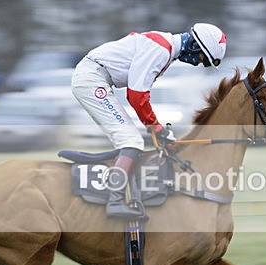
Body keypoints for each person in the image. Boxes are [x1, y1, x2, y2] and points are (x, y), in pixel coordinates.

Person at [71, 23, 227, 219]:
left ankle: (122, 193)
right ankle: (115, 201)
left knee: (128, 139)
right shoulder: (161, 50)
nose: (197, 63)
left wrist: (155, 127)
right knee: (131, 141)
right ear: (195, 46)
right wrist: (156, 127)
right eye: (202, 59)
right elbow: (136, 95)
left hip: (94, 77)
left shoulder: (164, 47)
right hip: (92, 79)